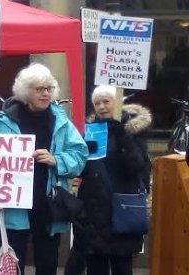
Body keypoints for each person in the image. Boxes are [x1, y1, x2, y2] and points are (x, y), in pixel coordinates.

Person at [0, 63, 88, 275]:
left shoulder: (60, 119)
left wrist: (57, 160)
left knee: (47, 264)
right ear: (26, 91)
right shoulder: (4, 121)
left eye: (49, 88)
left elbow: (80, 154)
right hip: (14, 205)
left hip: (48, 204)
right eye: (39, 89)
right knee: (13, 266)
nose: (45, 93)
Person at [73, 85, 151, 275]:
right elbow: (81, 169)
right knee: (95, 268)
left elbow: (136, 166)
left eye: (106, 101)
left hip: (122, 211)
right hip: (94, 211)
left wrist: (122, 134)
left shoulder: (132, 131)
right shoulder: (90, 132)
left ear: (117, 103)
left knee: (122, 267)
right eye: (97, 103)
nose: (101, 107)